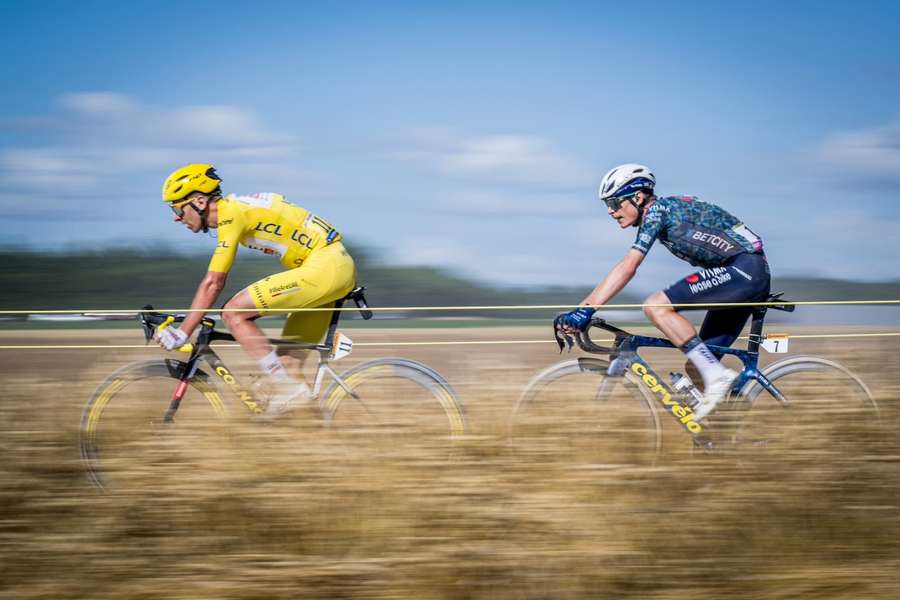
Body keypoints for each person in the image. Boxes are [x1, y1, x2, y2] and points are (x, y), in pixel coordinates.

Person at [559, 163, 770, 421]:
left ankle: (718, 377)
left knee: (656, 306)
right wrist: (582, 309)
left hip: (744, 270)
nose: (611, 212)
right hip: (740, 275)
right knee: (697, 366)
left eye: (614, 203)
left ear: (637, 197)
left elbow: (628, 266)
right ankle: (723, 435)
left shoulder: (657, 210)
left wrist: (585, 310)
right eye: (607, 206)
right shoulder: (662, 212)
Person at [156, 163, 356, 417]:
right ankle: (311, 430)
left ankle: (286, 390)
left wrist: (183, 333)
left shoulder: (231, 214)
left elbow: (213, 282)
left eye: (177, 208)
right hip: (332, 266)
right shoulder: (236, 210)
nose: (175, 216)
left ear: (199, 201)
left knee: (233, 313)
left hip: (326, 267)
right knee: (288, 368)